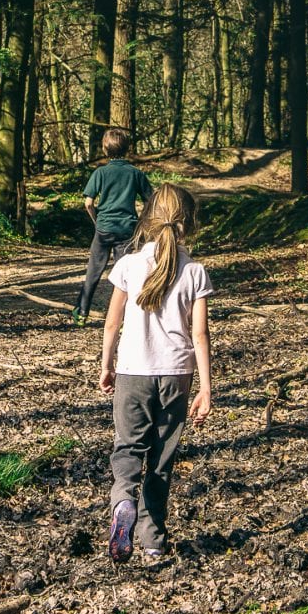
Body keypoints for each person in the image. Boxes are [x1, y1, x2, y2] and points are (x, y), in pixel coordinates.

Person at [99, 183, 213, 563]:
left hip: (133, 372)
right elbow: (199, 334)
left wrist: (106, 364)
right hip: (176, 376)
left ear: (146, 219)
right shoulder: (195, 271)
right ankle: (153, 542)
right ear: (188, 223)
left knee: (128, 448)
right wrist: (206, 389)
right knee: (161, 463)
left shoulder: (128, 266)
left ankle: (122, 503)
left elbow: (112, 324)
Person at [72, 128, 153, 327]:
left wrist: (96, 221)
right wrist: (140, 222)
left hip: (104, 229)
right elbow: (151, 201)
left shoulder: (100, 172)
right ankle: (128, 318)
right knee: (127, 275)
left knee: (93, 272)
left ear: (105, 148)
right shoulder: (135, 173)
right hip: (127, 230)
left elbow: (88, 203)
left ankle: (82, 313)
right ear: (127, 148)